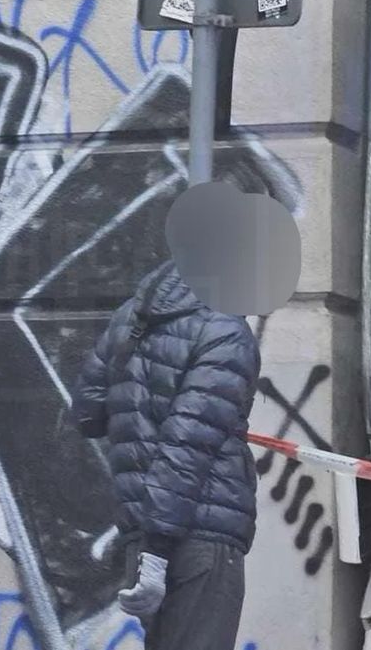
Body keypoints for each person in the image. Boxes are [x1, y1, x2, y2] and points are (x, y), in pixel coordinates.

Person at [72, 260, 260, 650]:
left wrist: (138, 406)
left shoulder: (130, 317)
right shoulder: (225, 328)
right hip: (197, 536)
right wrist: (157, 555)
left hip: (140, 535)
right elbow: (186, 446)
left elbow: (88, 413)